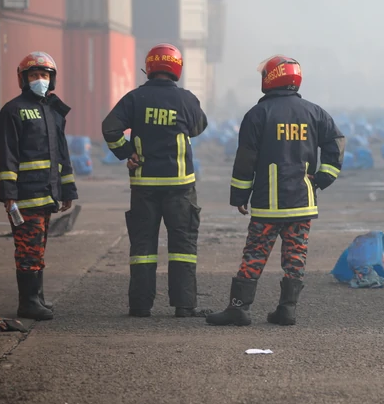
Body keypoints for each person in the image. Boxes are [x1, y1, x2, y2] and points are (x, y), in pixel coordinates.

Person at [207, 56, 345, 327]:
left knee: (255, 252)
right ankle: (287, 310)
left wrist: (239, 196)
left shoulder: (258, 114)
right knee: (295, 255)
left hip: (268, 204)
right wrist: (321, 179)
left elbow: (245, 160)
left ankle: (239, 308)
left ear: (270, 79)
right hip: (302, 203)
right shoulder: (315, 113)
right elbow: (336, 144)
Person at [101, 43, 211, 318]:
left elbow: (110, 127)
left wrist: (126, 152)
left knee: (143, 247)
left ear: (149, 67)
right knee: (182, 246)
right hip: (180, 187)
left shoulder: (134, 98)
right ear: (177, 69)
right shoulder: (186, 99)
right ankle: (184, 306)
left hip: (144, 187)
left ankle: (140, 306)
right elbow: (198, 128)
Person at [0, 52, 78, 321]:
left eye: (44, 75)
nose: (39, 79)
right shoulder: (13, 110)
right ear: (23, 79)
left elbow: (61, 154)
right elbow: (6, 154)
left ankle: (37, 298)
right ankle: (28, 303)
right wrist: (8, 195)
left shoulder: (53, 111)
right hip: (24, 196)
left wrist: (67, 190)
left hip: (47, 193)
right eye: (34, 76)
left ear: (51, 79)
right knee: (28, 249)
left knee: (38, 247)